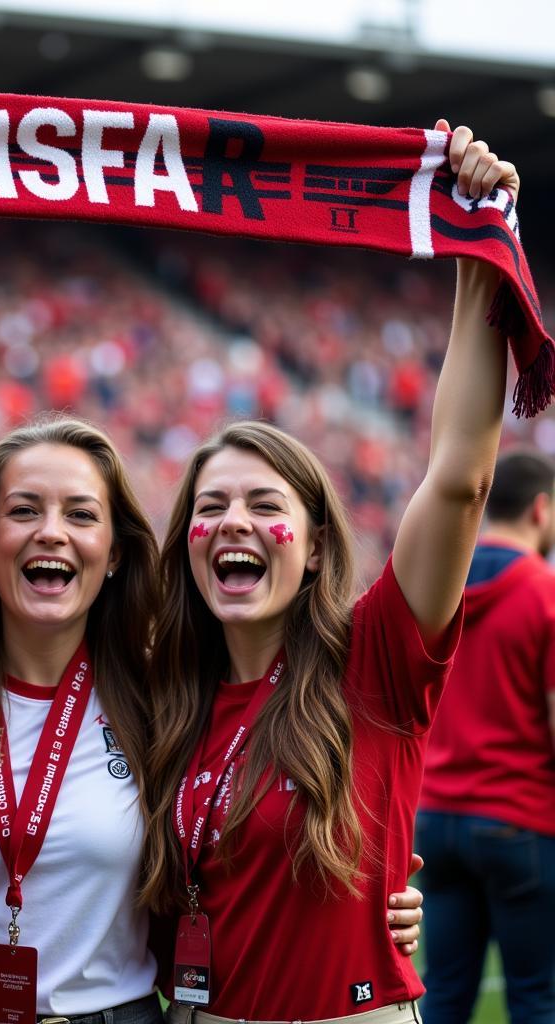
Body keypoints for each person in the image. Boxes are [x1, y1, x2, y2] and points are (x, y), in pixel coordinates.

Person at [145, 125, 516, 1024]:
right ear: (186, 540)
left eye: (260, 504)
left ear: (312, 545)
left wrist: (475, 253)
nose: (232, 522)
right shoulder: (158, 689)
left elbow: (461, 480)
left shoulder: (376, 660)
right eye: (210, 506)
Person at [0, 417, 423, 1024]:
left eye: (81, 515)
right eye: (24, 511)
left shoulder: (157, 696)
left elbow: (216, 848)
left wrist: (369, 894)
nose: (51, 533)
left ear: (114, 553)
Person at [416, 449, 555, 1024]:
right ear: (540, 510)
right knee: (536, 998)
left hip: (435, 821)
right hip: (518, 819)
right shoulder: (545, 592)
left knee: (442, 995)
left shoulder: (434, 586)